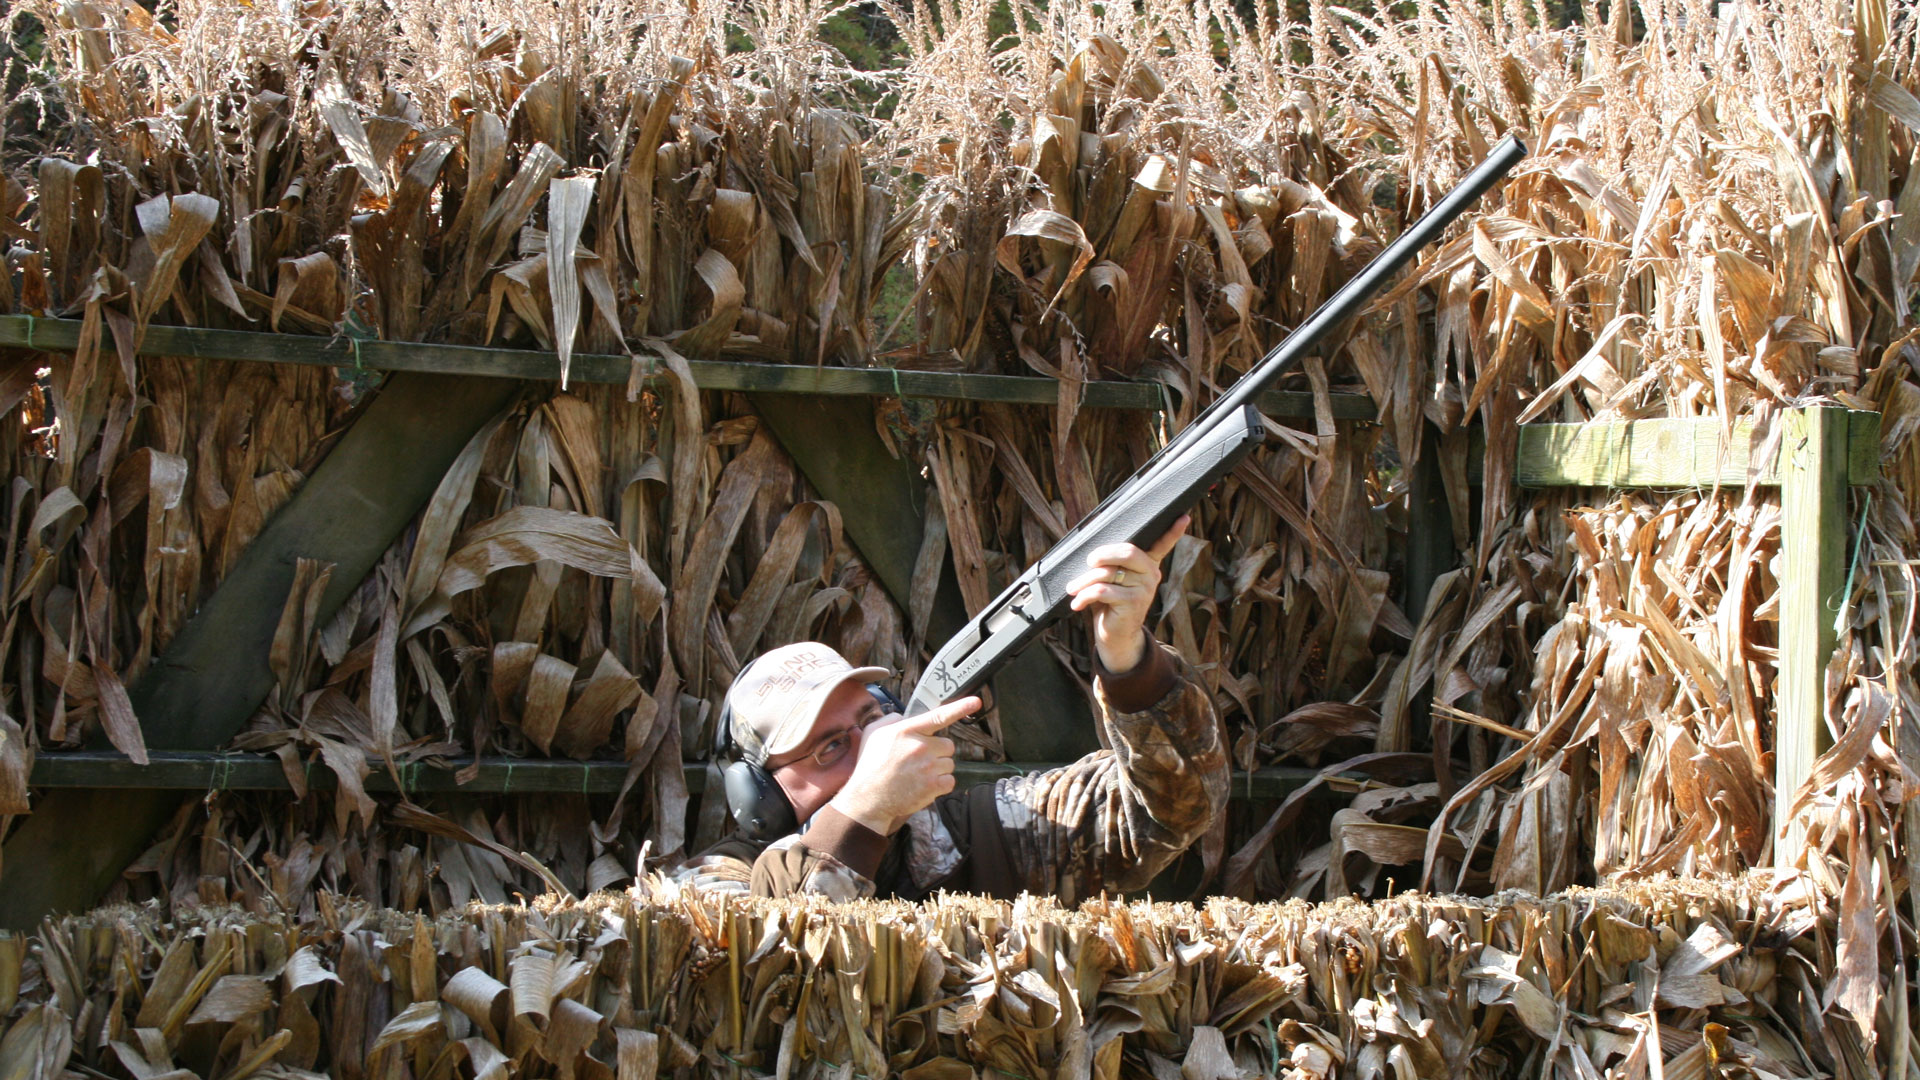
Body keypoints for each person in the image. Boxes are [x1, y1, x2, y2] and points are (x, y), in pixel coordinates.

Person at [673, 516, 1226, 903]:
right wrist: (866, 808)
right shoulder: (720, 883)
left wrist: (1129, 659)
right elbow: (774, 966)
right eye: (831, 747)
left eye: (872, 719)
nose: (876, 747)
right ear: (761, 797)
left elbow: (1172, 809)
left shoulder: (987, 832)